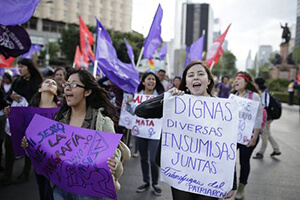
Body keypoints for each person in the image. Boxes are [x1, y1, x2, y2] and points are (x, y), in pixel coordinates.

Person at [135, 61, 236, 200]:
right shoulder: (176, 102)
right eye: (190, 75)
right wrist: (166, 97)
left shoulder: (222, 109)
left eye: (200, 74)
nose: (195, 77)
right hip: (181, 172)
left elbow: (227, 145)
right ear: (186, 83)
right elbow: (140, 111)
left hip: (210, 175)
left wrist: (231, 181)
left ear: (208, 81)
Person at [38, 69, 129, 199]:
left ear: (87, 91)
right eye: (66, 84)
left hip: (88, 192)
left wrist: (113, 161)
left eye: (74, 84)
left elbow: (114, 152)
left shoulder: (102, 122)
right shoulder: (59, 120)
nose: (68, 88)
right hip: (60, 188)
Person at [0, 58, 43, 185]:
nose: (19, 69)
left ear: (29, 67)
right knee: (9, 145)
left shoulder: (37, 82)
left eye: (22, 67)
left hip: (30, 118)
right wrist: (10, 96)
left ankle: (25, 173)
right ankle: (7, 174)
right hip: (15, 117)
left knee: (28, 146)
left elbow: (38, 100)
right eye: (18, 67)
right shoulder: (17, 80)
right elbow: (6, 97)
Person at [231, 71, 263, 200]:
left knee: (244, 162)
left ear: (246, 82)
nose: (236, 81)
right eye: (235, 79)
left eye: (239, 79)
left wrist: (254, 137)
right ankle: (230, 184)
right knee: (228, 160)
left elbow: (258, 117)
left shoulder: (253, 96)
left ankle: (241, 187)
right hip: (234, 136)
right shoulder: (233, 96)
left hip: (248, 136)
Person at [134, 72, 165, 196]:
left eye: (153, 79)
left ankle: (155, 183)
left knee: (153, 160)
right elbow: (132, 113)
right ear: (143, 82)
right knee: (144, 158)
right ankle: (146, 181)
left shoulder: (161, 98)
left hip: (154, 133)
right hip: (140, 132)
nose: (151, 81)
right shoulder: (136, 97)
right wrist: (129, 104)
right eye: (149, 79)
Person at [253, 78, 281, 159]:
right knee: (267, 133)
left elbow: (264, 105)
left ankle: (261, 153)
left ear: (258, 84)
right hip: (267, 116)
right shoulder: (263, 91)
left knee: (264, 135)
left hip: (266, 117)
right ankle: (276, 149)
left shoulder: (264, 93)